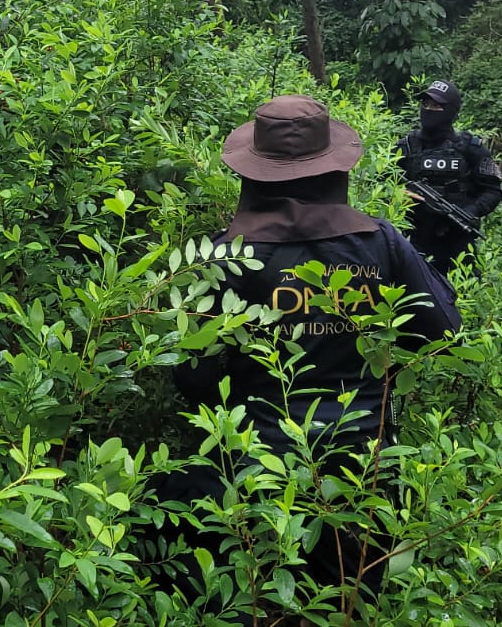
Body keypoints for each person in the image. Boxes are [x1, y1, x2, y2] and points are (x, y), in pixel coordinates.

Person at [165, 95, 460, 599]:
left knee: (250, 608)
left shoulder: (219, 257)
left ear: (253, 174)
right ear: (334, 171)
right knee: (352, 606)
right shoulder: (381, 242)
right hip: (361, 466)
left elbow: (190, 376)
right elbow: (442, 329)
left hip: (251, 467)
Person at [396, 80, 502, 275]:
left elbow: (493, 190)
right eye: (425, 104)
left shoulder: (471, 148)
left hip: (457, 243)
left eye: (436, 105)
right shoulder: (405, 147)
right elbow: (381, 185)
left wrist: (471, 210)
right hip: (414, 241)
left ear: (451, 111)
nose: (428, 109)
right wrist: (400, 195)